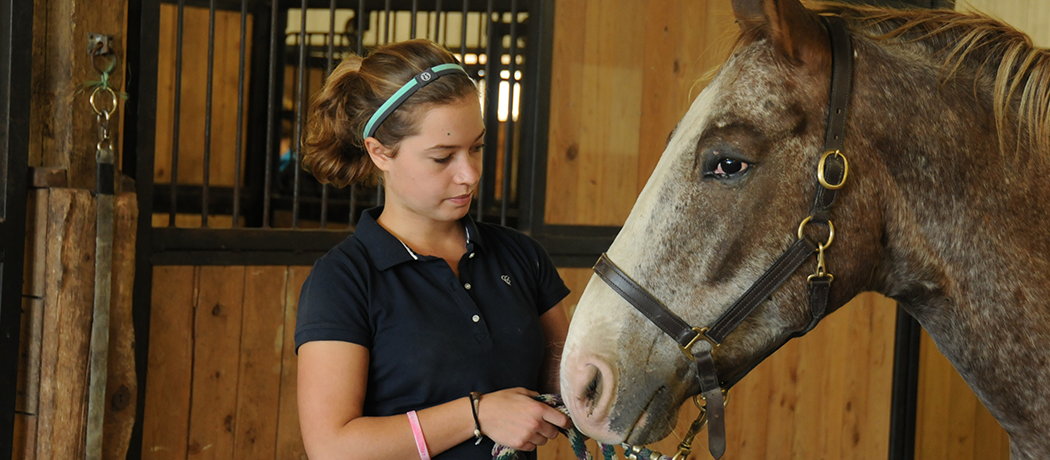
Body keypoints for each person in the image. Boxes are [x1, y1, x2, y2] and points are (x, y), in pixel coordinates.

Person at [294, 39, 572, 460]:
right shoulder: (344, 280)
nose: (469, 174)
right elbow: (332, 447)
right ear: (380, 152)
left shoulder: (522, 256)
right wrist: (477, 415)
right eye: (443, 158)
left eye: (476, 148)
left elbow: (571, 390)